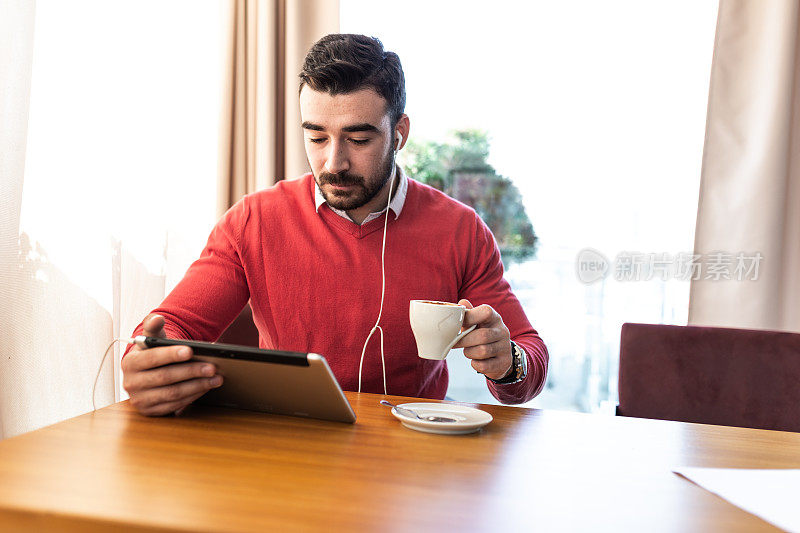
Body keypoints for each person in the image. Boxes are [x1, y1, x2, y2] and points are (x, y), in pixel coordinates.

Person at [122, 33, 549, 416]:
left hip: (414, 451)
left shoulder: (461, 230)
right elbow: (171, 326)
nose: (334, 162)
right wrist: (147, 356)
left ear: (399, 134)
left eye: (359, 139)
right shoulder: (253, 220)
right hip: (292, 439)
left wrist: (507, 359)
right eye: (317, 137)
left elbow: (528, 359)